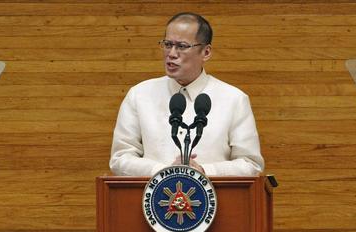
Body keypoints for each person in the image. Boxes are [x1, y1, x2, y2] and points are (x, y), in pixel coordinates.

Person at [109, 12, 264, 177]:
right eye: (167, 44)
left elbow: (250, 164)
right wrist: (164, 172)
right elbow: (120, 158)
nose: (171, 53)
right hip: (154, 193)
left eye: (182, 46)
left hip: (215, 193)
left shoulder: (234, 100)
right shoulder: (139, 95)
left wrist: (203, 172)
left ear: (206, 52)